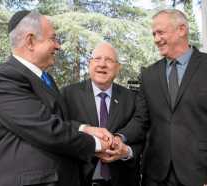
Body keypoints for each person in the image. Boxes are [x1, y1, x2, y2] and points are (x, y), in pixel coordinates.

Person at [0, 10, 113, 186]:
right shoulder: (5, 78)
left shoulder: (45, 78)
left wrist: (85, 129)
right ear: (30, 41)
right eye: (53, 38)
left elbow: (53, 119)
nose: (58, 46)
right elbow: (45, 129)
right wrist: (97, 144)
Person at [119, 9, 207, 186]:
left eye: (160, 32)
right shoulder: (148, 74)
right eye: (154, 34)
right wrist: (120, 137)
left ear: (181, 30)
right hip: (155, 176)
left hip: (200, 176)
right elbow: (141, 120)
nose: (156, 39)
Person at [60, 42, 146, 186]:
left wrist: (125, 151)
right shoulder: (67, 95)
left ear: (118, 68)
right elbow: (60, 129)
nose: (102, 64)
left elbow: (140, 135)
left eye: (109, 60)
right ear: (89, 64)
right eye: (97, 59)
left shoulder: (132, 98)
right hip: (78, 179)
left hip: (122, 179)